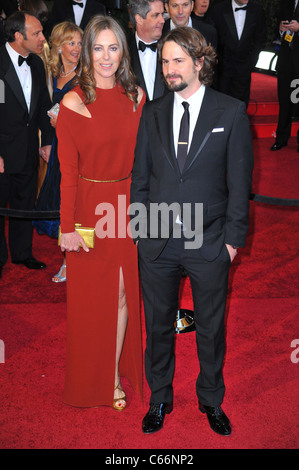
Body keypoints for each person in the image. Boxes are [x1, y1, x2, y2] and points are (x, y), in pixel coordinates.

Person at [130, 26, 253, 435]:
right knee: (158, 325)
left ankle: (211, 399)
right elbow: (141, 176)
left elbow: (239, 183)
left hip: (210, 241)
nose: (169, 69)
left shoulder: (231, 111)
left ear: (200, 62)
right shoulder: (152, 112)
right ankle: (159, 397)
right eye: (164, 61)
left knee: (211, 328)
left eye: (177, 60)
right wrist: (139, 230)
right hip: (158, 242)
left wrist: (233, 242)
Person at [56, 15, 144, 409]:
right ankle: (99, 376)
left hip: (127, 206)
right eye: (97, 48)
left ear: (122, 51)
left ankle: (111, 374)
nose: (106, 57)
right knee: (95, 298)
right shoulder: (73, 101)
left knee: (124, 292)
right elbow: (68, 173)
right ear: (87, 51)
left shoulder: (137, 97)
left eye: (113, 47)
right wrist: (66, 227)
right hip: (90, 210)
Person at [0, 11, 54, 279]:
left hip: (28, 149)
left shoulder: (36, 63)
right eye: (37, 33)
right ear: (18, 36)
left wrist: (47, 141)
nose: (43, 38)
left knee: (24, 204)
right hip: (2, 152)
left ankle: (22, 253)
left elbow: (44, 104)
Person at [33, 22, 83, 284]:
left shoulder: (85, 75)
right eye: (71, 42)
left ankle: (69, 261)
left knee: (73, 204)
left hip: (76, 150)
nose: (76, 48)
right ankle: (67, 257)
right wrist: (47, 142)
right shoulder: (51, 73)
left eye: (79, 42)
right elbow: (44, 109)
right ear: (58, 46)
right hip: (57, 149)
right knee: (59, 202)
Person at [209, 0, 266, 107]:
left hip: (244, 68)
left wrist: (251, 62)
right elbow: (212, 37)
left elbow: (260, 38)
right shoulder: (218, 10)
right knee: (221, 107)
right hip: (223, 70)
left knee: (241, 107)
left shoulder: (257, 10)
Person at [270, 0, 299, 152]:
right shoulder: (285, 3)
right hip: (286, 61)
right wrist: (281, 30)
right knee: (284, 100)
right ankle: (281, 138)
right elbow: (276, 28)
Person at [127, 0, 166, 101]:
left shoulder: (172, 48)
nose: (162, 20)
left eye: (162, 14)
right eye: (156, 15)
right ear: (139, 19)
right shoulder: (123, 50)